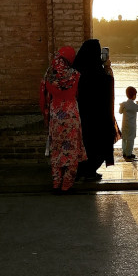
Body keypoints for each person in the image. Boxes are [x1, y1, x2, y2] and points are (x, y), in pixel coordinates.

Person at [40, 46, 87, 193]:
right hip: (72, 116)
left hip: (55, 116)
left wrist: (46, 116)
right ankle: (66, 185)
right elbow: (79, 95)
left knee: (57, 151)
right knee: (71, 151)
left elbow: (43, 99)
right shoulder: (75, 75)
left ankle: (56, 183)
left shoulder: (49, 76)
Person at [73, 39, 120, 180]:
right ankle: (89, 171)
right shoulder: (97, 71)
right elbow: (106, 87)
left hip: (81, 115)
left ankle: (81, 170)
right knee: (96, 144)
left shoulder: (76, 70)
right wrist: (107, 69)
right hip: (97, 117)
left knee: (84, 143)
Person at [119, 86, 138, 161]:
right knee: (131, 139)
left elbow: (120, 112)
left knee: (124, 138)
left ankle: (124, 152)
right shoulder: (135, 106)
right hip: (132, 126)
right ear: (134, 96)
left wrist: (121, 106)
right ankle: (129, 154)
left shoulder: (124, 104)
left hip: (125, 125)